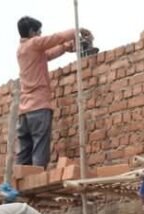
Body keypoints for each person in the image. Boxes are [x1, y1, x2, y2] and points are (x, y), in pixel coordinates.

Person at [16, 16, 91, 168]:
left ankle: (19, 182)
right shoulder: (34, 43)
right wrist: (78, 30)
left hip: (24, 112)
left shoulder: (22, 50)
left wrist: (66, 47)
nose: (40, 35)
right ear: (31, 32)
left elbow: (48, 55)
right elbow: (56, 38)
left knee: (23, 157)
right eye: (39, 32)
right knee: (39, 153)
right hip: (38, 108)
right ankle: (37, 181)